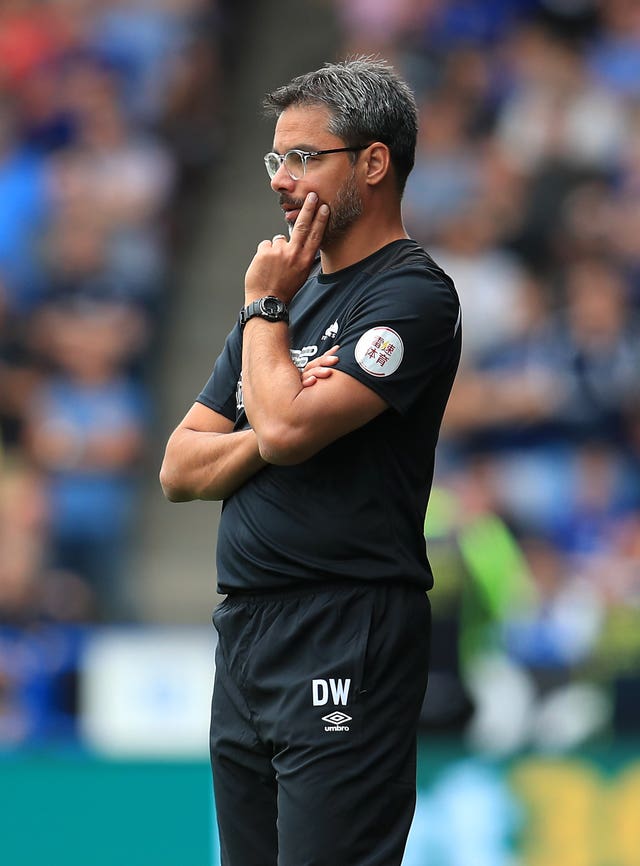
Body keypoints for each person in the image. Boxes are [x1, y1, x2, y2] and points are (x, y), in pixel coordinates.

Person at [160, 57, 462, 866]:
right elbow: (181, 468)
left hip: (346, 626)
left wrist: (265, 326)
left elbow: (293, 433)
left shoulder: (411, 295)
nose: (282, 181)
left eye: (303, 157)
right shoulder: (289, 298)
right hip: (249, 629)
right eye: (275, 160)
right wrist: (274, 411)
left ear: (372, 162)